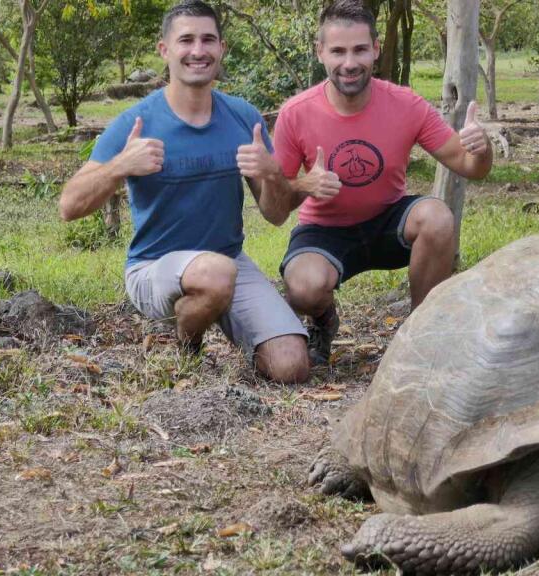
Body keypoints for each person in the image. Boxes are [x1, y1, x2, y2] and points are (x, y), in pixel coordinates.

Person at [58, 0, 310, 383]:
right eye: (186, 40)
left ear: (221, 49)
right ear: (165, 50)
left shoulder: (242, 117)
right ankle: (185, 344)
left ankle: (222, 317)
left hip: (227, 264)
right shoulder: (138, 122)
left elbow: (275, 215)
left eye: (208, 40)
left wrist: (273, 174)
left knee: (291, 366)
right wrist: (120, 166)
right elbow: (69, 206)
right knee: (215, 273)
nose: (198, 50)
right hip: (153, 268)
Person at [270, 0, 493, 365]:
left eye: (360, 49)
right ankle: (323, 321)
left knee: (437, 216)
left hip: (388, 221)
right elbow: (275, 208)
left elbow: (470, 165)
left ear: (375, 49)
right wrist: (304, 184)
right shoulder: (295, 114)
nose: (349, 62)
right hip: (324, 230)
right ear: (320, 52)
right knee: (303, 288)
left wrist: (480, 149)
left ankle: (421, 335)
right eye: (338, 51)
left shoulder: (406, 104)